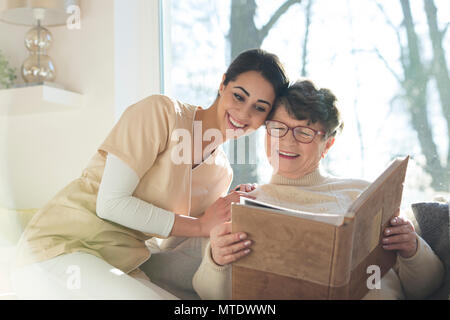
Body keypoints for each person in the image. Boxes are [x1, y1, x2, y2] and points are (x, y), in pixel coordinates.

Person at [10, 49, 289, 300]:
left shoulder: (221, 174)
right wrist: (202, 225)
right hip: (60, 248)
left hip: (122, 262)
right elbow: (111, 203)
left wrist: (232, 211)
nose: (243, 112)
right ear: (223, 83)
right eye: (239, 96)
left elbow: (173, 242)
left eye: (259, 108)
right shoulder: (162, 113)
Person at [192, 79, 445, 300]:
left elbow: (427, 287)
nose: (287, 140)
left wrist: (412, 248)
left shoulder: (363, 195)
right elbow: (210, 296)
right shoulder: (242, 203)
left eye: (304, 132)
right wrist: (216, 260)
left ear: (327, 144)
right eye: (278, 128)